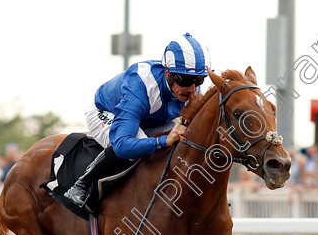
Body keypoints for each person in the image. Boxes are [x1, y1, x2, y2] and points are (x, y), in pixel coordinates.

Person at [64, 33, 209, 209]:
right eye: (186, 80)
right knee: (136, 148)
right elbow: (123, 145)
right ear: (168, 73)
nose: (193, 89)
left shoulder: (190, 87)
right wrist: (162, 140)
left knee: (185, 141)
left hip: (148, 119)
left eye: (199, 80)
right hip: (106, 112)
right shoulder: (140, 85)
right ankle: (81, 185)